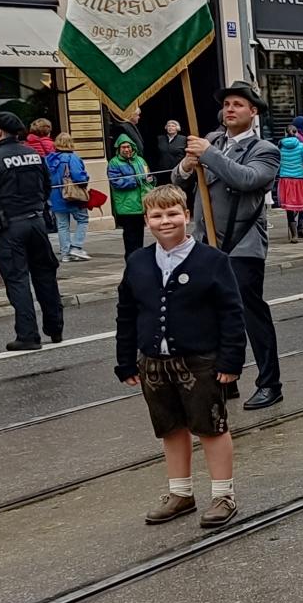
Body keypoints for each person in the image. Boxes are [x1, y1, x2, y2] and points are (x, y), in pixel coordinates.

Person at [116, 185, 247, 530]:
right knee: (170, 428)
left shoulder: (212, 261)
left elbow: (232, 314)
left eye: (173, 214)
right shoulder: (138, 262)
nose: (165, 221)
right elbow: (126, 313)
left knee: (211, 427)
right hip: (154, 364)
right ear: (147, 221)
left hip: (200, 361)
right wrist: (126, 359)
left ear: (187, 216)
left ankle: (223, 494)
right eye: (157, 216)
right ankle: (180, 492)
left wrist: (231, 361)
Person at [176, 80, 283, 410]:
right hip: (205, 245)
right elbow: (180, 183)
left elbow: (246, 179)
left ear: (253, 112)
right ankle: (226, 379)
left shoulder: (264, 150)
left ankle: (270, 383)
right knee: (212, 316)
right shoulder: (210, 141)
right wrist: (186, 166)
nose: (230, 109)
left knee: (250, 315)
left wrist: (209, 155)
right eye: (227, 104)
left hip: (242, 246)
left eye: (238, 104)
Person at [0, 110, 64, 350]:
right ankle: (55, 328)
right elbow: (46, 186)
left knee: (17, 280)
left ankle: (28, 335)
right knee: (45, 276)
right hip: (37, 222)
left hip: (10, 227)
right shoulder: (33, 154)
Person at [47, 133, 92, 261]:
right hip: (72, 196)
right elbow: (79, 176)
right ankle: (76, 247)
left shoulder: (48, 159)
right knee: (82, 219)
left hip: (55, 196)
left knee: (62, 225)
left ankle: (65, 254)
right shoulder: (72, 158)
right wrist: (86, 179)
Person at [108, 130, 150, 257]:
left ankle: (139, 259)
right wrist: (135, 181)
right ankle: (131, 260)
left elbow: (147, 176)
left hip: (140, 205)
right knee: (130, 238)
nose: (126, 149)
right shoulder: (114, 163)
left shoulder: (140, 160)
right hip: (126, 206)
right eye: (123, 147)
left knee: (139, 237)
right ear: (119, 148)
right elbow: (115, 182)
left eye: (128, 146)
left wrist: (151, 181)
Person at [277, 117, 303, 242]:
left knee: (290, 208)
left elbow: (275, 164)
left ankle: (294, 236)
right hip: (299, 179)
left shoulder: (280, 147)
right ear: (297, 133)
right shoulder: (301, 146)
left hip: (285, 180)